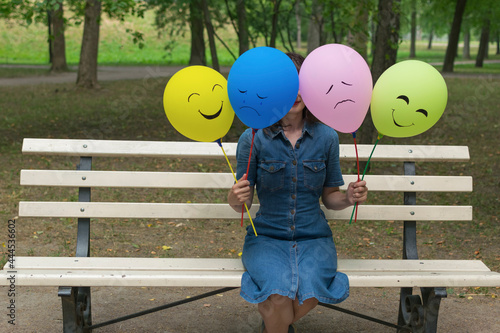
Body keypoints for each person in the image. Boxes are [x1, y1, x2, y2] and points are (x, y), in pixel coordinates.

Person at [227, 52, 368, 333]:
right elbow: (242, 204)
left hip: (314, 238)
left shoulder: (326, 137)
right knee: (278, 294)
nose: (296, 92)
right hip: (266, 238)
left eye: (302, 82)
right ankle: (275, 319)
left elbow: (330, 197)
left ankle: (272, 323)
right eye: (287, 83)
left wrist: (349, 197)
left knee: (311, 290)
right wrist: (235, 197)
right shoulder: (253, 137)